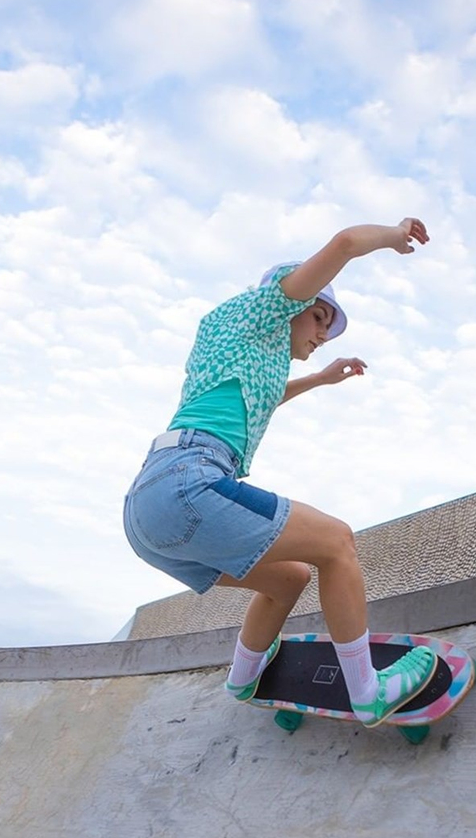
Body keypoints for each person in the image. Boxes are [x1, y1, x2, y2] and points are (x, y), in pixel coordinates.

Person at [123, 217, 438, 727]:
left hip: (147, 512)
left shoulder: (238, 347)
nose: (322, 334)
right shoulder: (263, 307)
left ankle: (245, 676)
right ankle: (368, 692)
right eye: (318, 318)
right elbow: (344, 244)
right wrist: (391, 235)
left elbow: (266, 398)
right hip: (189, 481)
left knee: (288, 579)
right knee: (336, 543)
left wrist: (318, 379)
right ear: (290, 305)